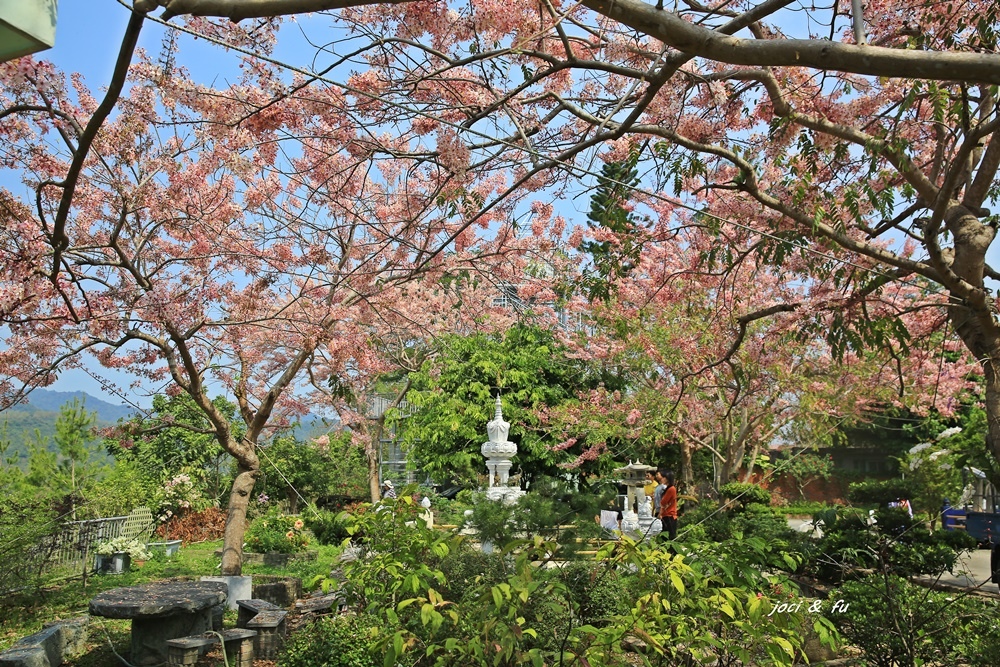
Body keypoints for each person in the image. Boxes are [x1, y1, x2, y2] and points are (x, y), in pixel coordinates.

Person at [658, 470, 678, 541]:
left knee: (669, 536)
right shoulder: (668, 488)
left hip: (670, 515)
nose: (662, 479)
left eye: (664, 477)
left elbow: (663, 502)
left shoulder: (671, 489)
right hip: (666, 515)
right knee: (665, 536)